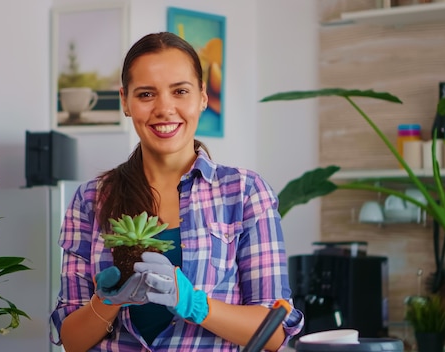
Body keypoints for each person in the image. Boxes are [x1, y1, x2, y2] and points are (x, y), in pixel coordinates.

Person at [50, 31, 304, 351]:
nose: (164, 108)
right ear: (125, 102)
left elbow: (275, 333)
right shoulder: (90, 201)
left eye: (180, 91)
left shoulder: (244, 193)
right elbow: (71, 341)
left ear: (202, 97)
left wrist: (194, 304)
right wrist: (107, 301)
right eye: (146, 94)